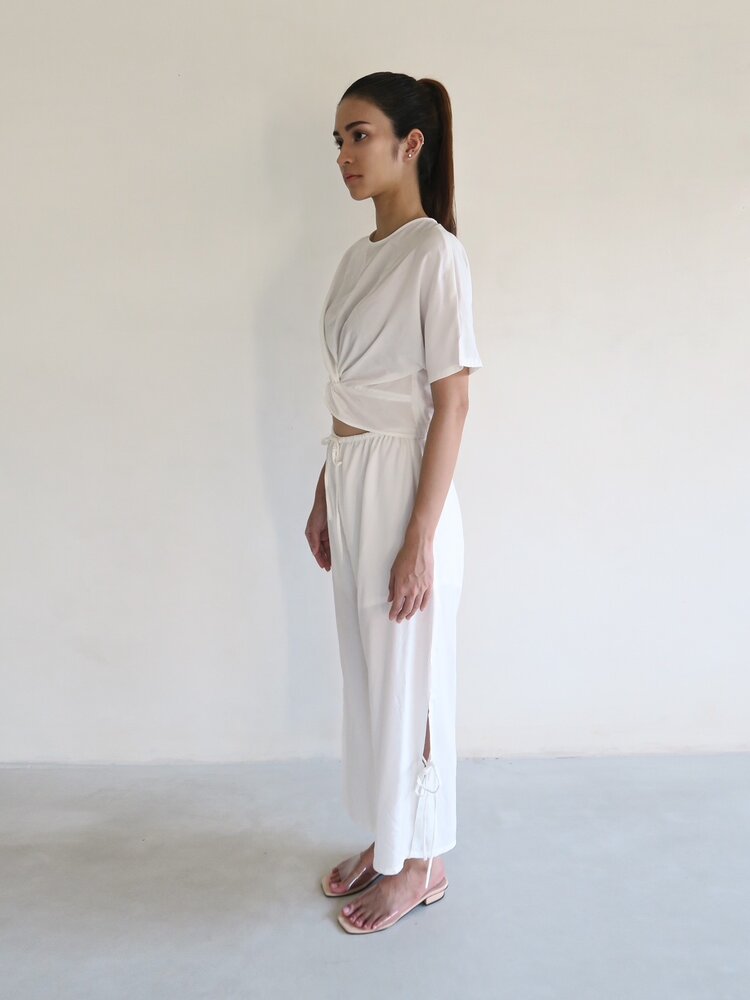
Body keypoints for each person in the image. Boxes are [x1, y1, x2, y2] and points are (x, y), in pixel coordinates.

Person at [304, 71, 483, 934]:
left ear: (411, 144)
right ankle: (392, 832)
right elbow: (351, 392)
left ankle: (422, 864)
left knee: (414, 677)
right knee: (373, 674)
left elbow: (453, 401)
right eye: (338, 140)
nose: (345, 154)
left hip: (405, 488)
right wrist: (323, 491)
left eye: (360, 135)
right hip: (352, 480)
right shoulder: (357, 259)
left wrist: (420, 539)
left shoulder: (435, 254)